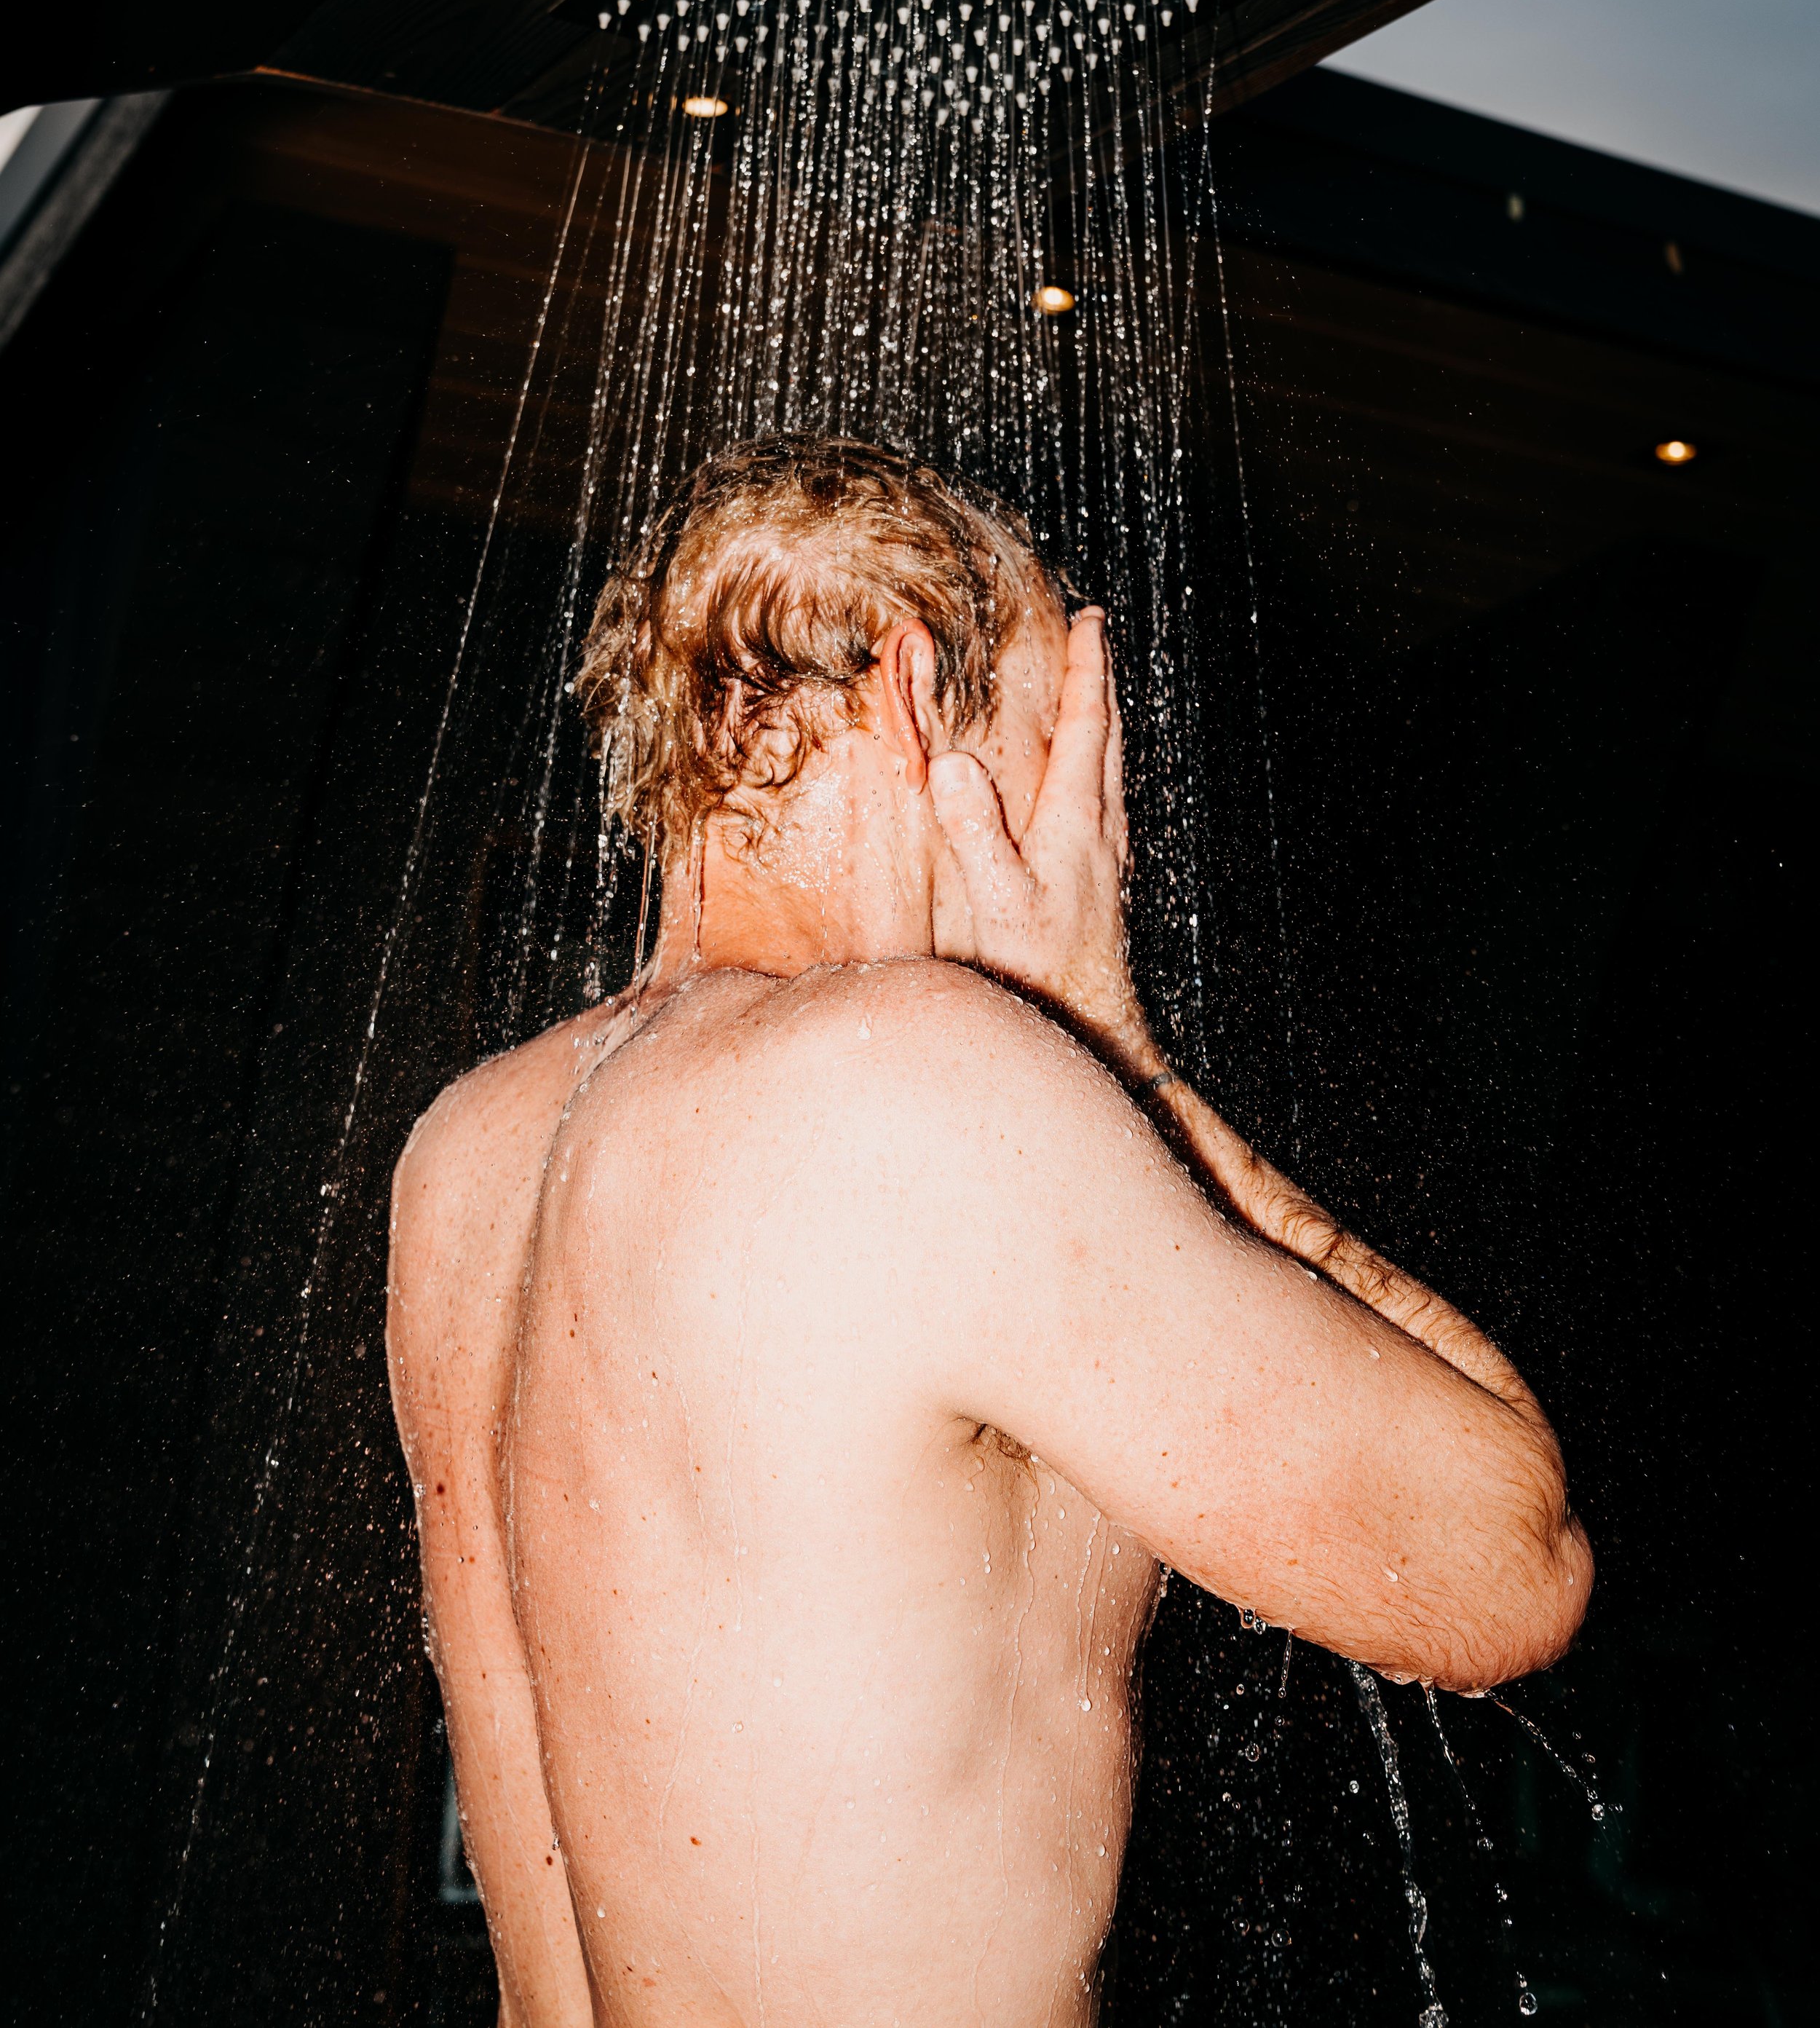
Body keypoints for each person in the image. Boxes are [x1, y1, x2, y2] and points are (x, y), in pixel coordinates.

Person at [387, 435, 1591, 2028]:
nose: (1102, 834)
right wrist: (1121, 1047)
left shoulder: (471, 1147)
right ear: (905, 699)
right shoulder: (912, 1082)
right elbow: (1506, 1571)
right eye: (1057, 738)